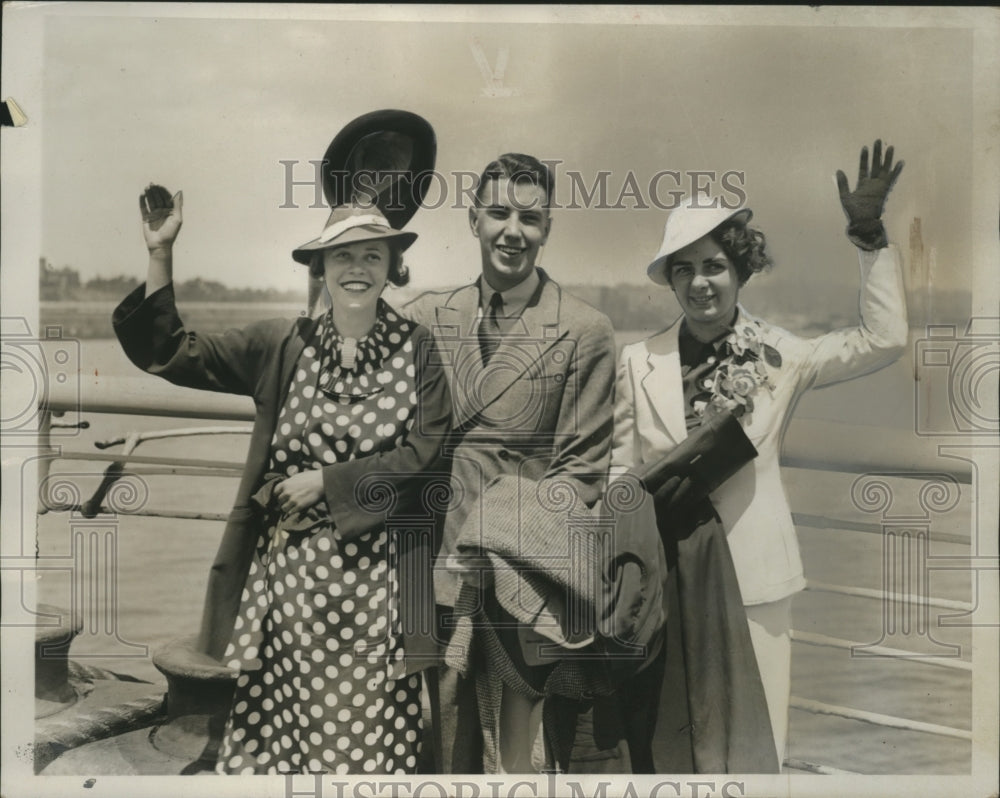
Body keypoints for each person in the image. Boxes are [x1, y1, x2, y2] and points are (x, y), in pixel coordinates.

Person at [112, 186, 452, 774]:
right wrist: (161, 254)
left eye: (373, 255)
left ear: (392, 268)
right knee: (290, 736)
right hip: (293, 587)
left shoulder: (418, 349)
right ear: (320, 267)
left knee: (368, 742)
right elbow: (168, 351)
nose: (357, 268)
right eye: (342, 256)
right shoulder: (282, 342)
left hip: (386, 587)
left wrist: (330, 481)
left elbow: (431, 452)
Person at [611, 141, 908, 768]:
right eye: (684, 269)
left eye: (714, 265)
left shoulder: (783, 357)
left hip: (757, 581)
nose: (700, 283)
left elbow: (884, 339)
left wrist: (870, 236)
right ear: (670, 280)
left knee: (757, 744)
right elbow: (618, 472)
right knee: (673, 743)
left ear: (740, 269)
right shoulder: (638, 362)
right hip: (668, 579)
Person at [404, 153, 618, 773]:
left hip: (519, 583)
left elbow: (581, 472)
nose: (512, 231)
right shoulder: (424, 315)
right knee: (439, 748)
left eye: (530, 217)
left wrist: (500, 542)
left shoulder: (585, 330)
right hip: (431, 573)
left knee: (518, 756)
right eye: (498, 213)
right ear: (473, 220)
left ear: (547, 227)